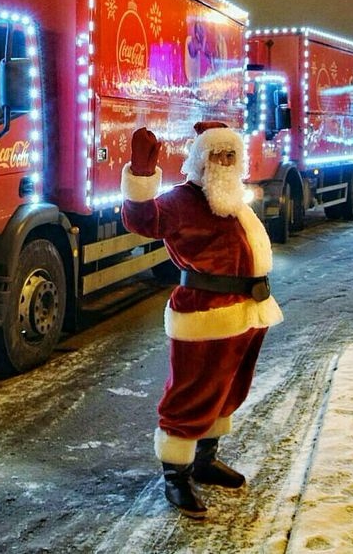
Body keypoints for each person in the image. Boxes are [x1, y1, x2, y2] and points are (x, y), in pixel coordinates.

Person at [120, 121, 284, 519]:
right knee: (191, 394)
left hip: (246, 311)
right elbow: (144, 222)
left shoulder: (230, 199)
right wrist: (141, 177)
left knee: (227, 390)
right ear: (199, 159)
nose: (224, 162)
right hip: (206, 314)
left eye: (230, 155)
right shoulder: (183, 200)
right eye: (216, 154)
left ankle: (205, 460)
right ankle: (176, 476)